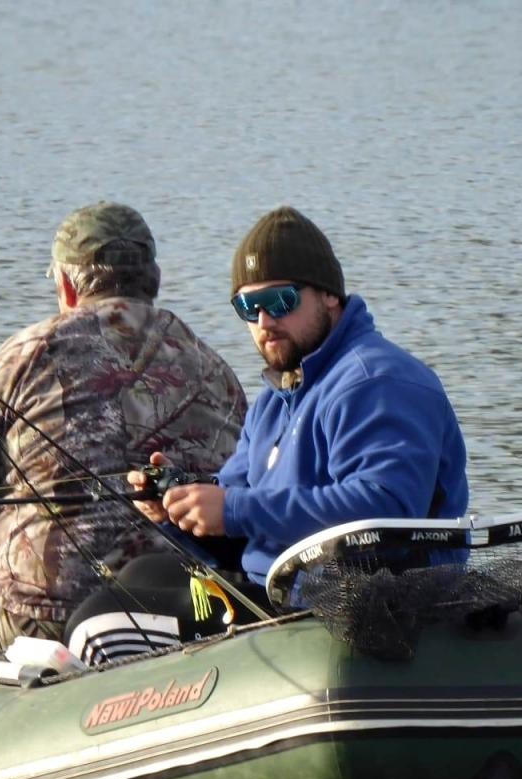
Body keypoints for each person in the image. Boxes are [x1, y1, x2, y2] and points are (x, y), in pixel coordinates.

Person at [65, 205, 469, 663]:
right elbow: (241, 506)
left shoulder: (376, 382)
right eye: (246, 306)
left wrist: (233, 509)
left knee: (99, 627)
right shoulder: (279, 394)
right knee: (141, 572)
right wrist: (180, 507)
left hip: (348, 608)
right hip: (275, 588)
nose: (263, 321)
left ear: (329, 297)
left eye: (280, 302)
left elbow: (385, 510)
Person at [0, 202, 247, 655]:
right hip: (179, 614)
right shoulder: (215, 369)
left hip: (37, 623)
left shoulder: (29, 353)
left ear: (65, 283)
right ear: (156, 278)